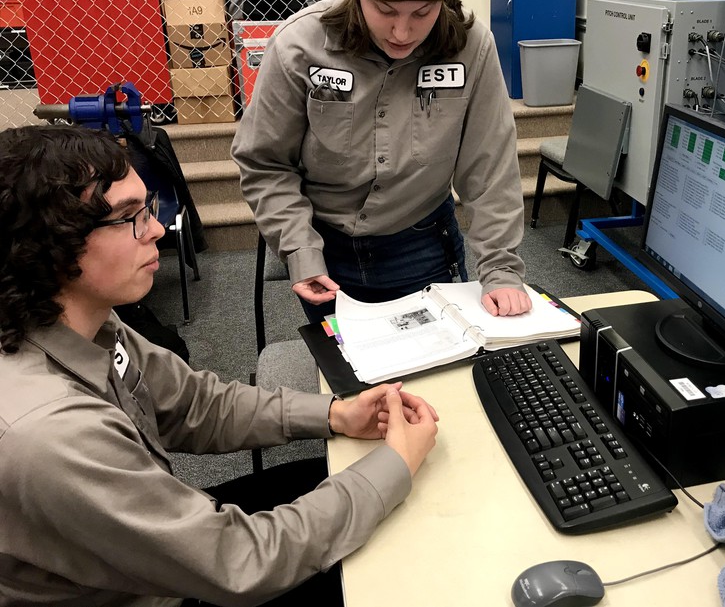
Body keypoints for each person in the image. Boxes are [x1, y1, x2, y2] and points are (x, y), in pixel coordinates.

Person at [0, 125, 439, 606]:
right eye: (129, 218)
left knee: (356, 491)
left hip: (167, 551)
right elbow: (239, 563)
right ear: (47, 244)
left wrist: (334, 414)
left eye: (147, 208)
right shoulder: (47, 432)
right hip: (169, 588)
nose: (157, 229)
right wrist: (396, 464)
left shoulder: (84, 321)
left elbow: (194, 404)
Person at [231, 0, 533, 324]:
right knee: (350, 382)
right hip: (324, 249)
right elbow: (264, 162)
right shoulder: (300, 45)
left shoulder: (470, 45)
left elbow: (491, 166)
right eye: (385, 10)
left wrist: (500, 268)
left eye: (422, 12)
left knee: (441, 377)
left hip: (422, 244)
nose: (402, 32)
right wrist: (300, 248)